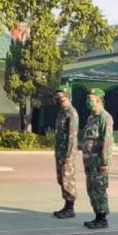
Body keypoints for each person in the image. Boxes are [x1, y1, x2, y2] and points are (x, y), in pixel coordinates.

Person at [81, 88, 113, 229]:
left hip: (99, 162)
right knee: (92, 189)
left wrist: (105, 162)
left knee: (99, 189)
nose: (88, 102)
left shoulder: (104, 118)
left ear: (100, 101)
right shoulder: (91, 117)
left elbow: (107, 141)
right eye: (87, 99)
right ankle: (97, 215)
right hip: (89, 161)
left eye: (91, 100)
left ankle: (102, 218)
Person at [52, 86, 79, 219]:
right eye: (57, 98)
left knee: (68, 179)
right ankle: (66, 206)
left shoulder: (71, 113)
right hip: (60, 152)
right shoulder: (61, 112)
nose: (58, 100)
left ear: (67, 97)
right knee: (61, 179)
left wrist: (69, 155)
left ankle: (70, 208)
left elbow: (72, 136)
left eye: (61, 98)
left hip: (67, 153)